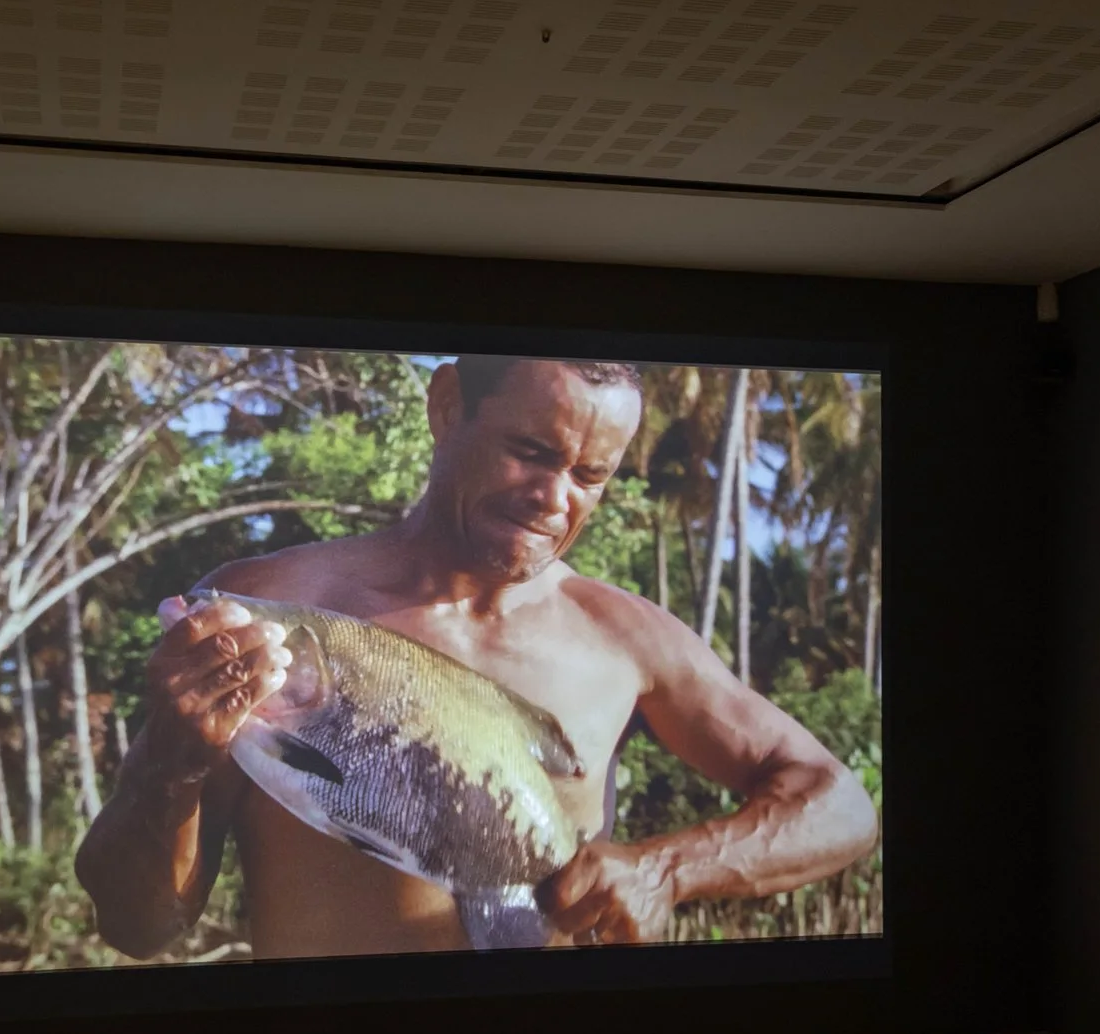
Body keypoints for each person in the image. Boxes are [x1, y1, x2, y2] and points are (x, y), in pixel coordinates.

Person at [75, 354, 878, 960]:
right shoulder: (264, 606)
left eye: (591, 474)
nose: (555, 497)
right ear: (447, 404)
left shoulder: (624, 635)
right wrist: (168, 764)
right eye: (529, 450)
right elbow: (138, 927)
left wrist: (664, 870)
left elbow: (839, 805)